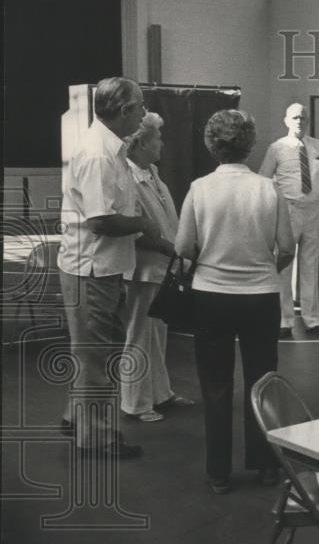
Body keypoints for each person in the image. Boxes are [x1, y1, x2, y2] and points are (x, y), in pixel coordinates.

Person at [175, 110, 295, 495]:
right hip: (260, 296)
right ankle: (264, 466)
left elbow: (182, 249)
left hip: (211, 296)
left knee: (215, 385)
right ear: (251, 144)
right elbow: (288, 247)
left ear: (212, 145)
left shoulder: (199, 187)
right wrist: (264, 267)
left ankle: (218, 472)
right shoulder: (269, 189)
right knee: (262, 382)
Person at [57, 76, 160, 459]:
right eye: (141, 106)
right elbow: (101, 220)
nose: (144, 113)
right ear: (124, 110)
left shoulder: (108, 146)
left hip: (97, 266)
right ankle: (97, 438)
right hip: (92, 268)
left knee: (90, 352)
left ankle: (74, 417)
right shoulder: (100, 154)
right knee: (97, 356)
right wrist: (143, 224)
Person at [120, 111, 196, 422]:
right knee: (139, 334)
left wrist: (179, 251)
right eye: (157, 139)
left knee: (158, 332)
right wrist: (170, 248)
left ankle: (161, 393)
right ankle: (136, 403)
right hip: (141, 269)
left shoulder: (151, 172)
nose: (162, 143)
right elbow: (135, 229)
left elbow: (166, 221)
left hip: (162, 267)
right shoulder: (127, 178)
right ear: (139, 144)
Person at [258, 102, 319, 338]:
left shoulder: (318, 146)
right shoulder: (276, 148)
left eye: (303, 118)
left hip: (313, 209)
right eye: (295, 118)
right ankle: (284, 320)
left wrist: (313, 197)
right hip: (288, 209)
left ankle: (312, 319)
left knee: (311, 264)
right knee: (285, 264)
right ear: (286, 121)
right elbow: (264, 180)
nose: (300, 122)